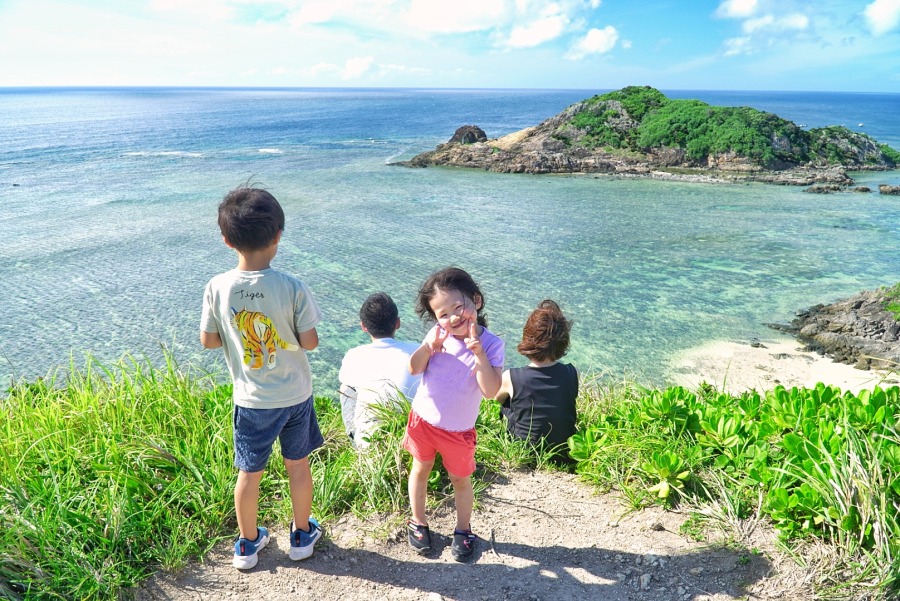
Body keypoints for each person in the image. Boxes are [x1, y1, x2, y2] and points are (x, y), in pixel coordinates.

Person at [200, 186, 324, 570]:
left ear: (225, 240)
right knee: (298, 466)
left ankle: (247, 544)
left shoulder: (217, 287)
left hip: (251, 401)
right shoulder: (291, 286)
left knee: (249, 473)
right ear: (277, 235)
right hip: (295, 396)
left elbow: (208, 341)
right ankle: (302, 535)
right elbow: (311, 342)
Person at [403, 267, 504, 562]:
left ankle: (463, 529)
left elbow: (490, 390)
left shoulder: (492, 344)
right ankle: (418, 521)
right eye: (443, 314)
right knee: (420, 470)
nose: (453, 318)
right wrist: (428, 346)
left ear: (477, 300)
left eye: (459, 307)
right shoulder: (437, 335)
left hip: (458, 430)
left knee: (461, 480)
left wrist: (479, 354)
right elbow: (414, 368)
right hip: (422, 420)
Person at [496, 299, 578, 467]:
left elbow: (496, 397)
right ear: (563, 342)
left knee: (506, 402)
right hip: (564, 452)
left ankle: (511, 444)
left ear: (527, 340)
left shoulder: (511, 376)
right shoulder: (572, 372)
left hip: (525, 452)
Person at [338, 292, 422, 449]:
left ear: (363, 326)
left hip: (370, 444)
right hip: (415, 437)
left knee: (346, 387)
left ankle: (356, 441)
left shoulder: (354, 355)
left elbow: (346, 383)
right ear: (397, 323)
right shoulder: (418, 351)